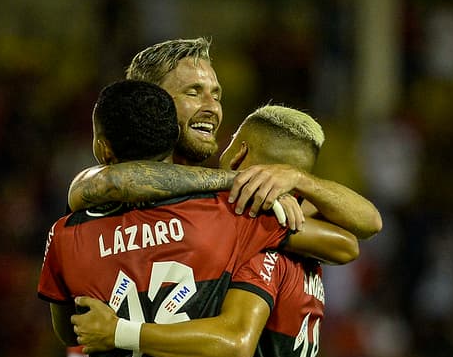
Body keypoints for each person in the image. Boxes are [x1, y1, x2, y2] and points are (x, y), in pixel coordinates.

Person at [39, 79, 356, 357]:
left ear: (101, 148)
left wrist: (117, 329)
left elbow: (67, 329)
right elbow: (349, 242)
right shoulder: (227, 216)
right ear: (173, 139)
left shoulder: (65, 234)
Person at [67, 37, 382, 240]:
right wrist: (232, 181)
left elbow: (365, 225)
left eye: (216, 95)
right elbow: (109, 182)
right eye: (194, 92)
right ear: (153, 101)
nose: (212, 108)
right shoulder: (108, 196)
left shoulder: (238, 203)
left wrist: (300, 179)